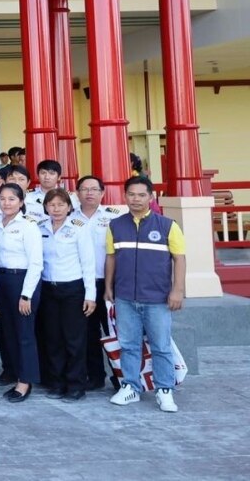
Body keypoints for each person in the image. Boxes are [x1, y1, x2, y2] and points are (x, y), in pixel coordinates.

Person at [107, 176, 186, 413]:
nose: (136, 199)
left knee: (161, 345)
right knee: (128, 344)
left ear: (151, 198)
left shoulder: (167, 225)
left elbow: (179, 259)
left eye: (141, 195)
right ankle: (131, 386)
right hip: (125, 297)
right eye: (131, 194)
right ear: (125, 196)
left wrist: (177, 290)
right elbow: (111, 257)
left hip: (157, 298)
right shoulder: (116, 225)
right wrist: (108, 286)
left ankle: (164, 390)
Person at [40, 188, 96, 401]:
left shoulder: (79, 228)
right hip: (48, 289)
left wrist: (90, 295)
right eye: (52, 205)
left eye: (61, 205)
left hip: (73, 289)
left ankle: (75, 385)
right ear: (45, 207)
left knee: (74, 340)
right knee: (53, 339)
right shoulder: (40, 228)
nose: (56, 209)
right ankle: (57, 382)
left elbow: (88, 263)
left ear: (69, 207)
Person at [0, 183, 43, 403]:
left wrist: (26, 295)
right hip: (1, 280)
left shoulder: (28, 226)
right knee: (7, 332)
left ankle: (25, 381)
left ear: (21, 202)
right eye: (2, 199)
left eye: (12, 199)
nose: (6, 203)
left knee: (24, 333)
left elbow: (36, 263)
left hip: (22, 281)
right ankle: (11, 370)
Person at [73, 175, 124, 390]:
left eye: (94, 189)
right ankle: (94, 376)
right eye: (84, 189)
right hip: (82, 285)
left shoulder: (115, 217)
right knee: (87, 332)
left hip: (108, 284)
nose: (89, 193)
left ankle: (122, 377)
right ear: (77, 193)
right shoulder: (70, 218)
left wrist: (113, 285)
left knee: (115, 331)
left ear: (102, 193)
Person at [26, 159, 79, 224]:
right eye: (43, 173)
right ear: (38, 176)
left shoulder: (70, 197)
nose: (47, 177)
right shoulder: (27, 196)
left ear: (59, 177)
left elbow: (75, 218)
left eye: (51, 173)